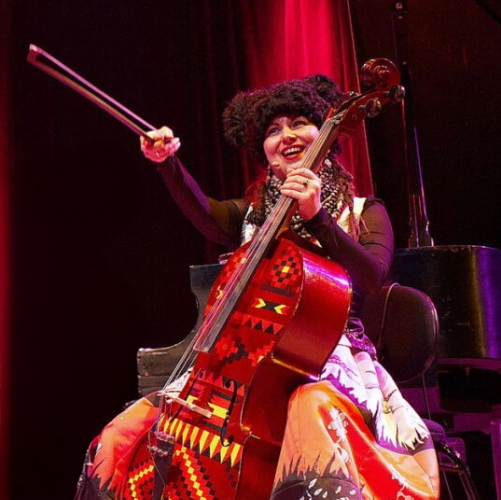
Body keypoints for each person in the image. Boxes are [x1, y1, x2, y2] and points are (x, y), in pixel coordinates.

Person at [74, 75, 439, 500]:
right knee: (125, 434)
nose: (286, 136)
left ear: (325, 134)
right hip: (243, 364)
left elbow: (372, 275)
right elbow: (204, 214)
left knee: (310, 410)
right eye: (272, 130)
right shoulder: (252, 214)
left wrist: (319, 218)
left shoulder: (363, 210)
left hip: (331, 360)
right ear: (264, 152)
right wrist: (168, 163)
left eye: (299, 123)